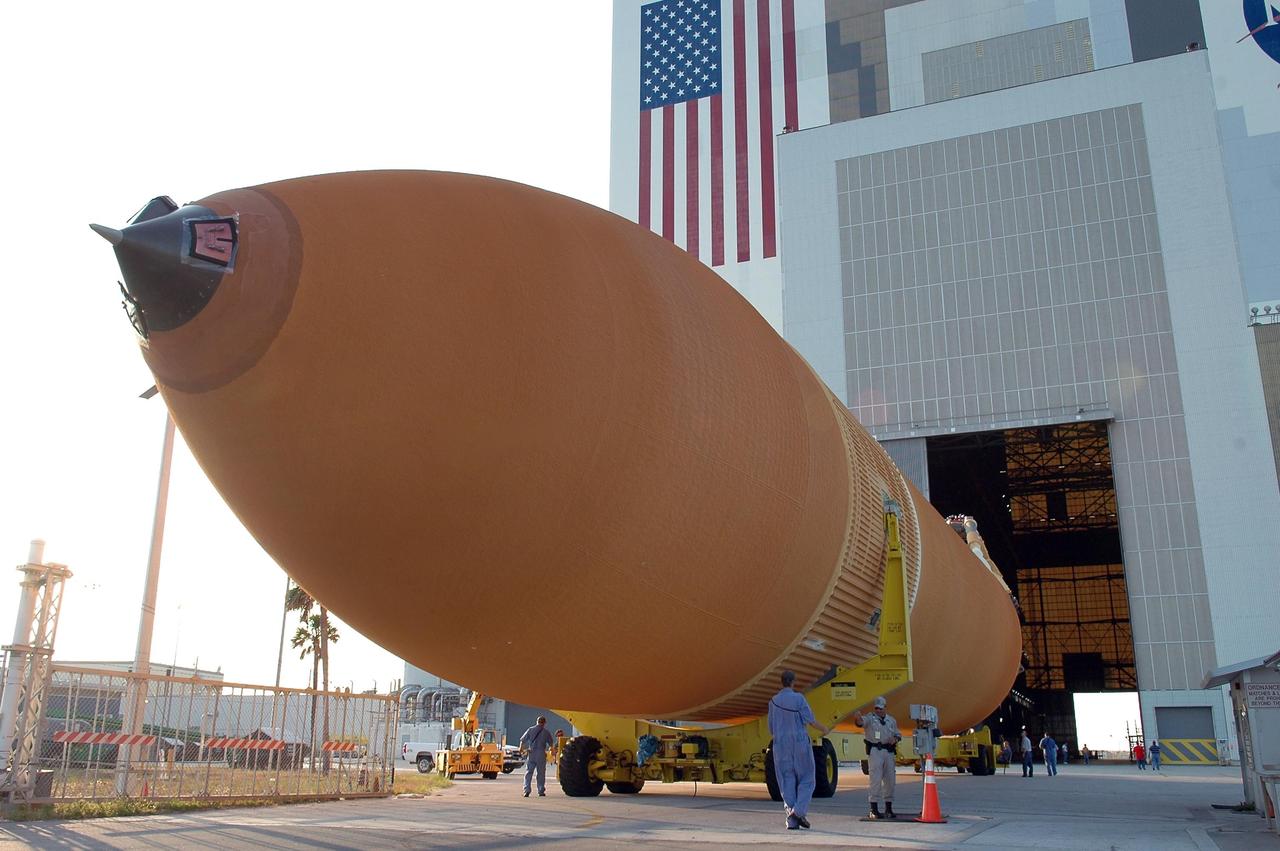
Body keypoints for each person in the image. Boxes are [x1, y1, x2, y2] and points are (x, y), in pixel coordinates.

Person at [767, 670, 830, 830]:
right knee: (807, 778)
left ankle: (791, 820)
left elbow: (771, 728)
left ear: (781, 682)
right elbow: (810, 720)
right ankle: (799, 811)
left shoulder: (773, 701)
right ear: (793, 682)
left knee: (786, 779)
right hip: (799, 742)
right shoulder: (799, 698)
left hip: (781, 744)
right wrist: (825, 729)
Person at [853, 695, 902, 819]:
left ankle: (889, 808)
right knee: (875, 779)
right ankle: (873, 809)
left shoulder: (891, 721)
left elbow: (898, 734)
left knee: (890, 780)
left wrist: (895, 739)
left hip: (889, 751)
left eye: (880, 708)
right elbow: (861, 723)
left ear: (885, 708)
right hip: (876, 751)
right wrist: (858, 718)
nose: (878, 710)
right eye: (876, 708)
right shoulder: (870, 718)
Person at [518, 716, 556, 797]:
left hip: (531, 753)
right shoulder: (546, 732)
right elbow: (551, 744)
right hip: (541, 754)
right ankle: (541, 790)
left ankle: (526, 790)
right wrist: (552, 753)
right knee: (541, 773)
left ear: (537, 721)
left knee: (528, 772)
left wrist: (521, 749)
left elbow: (522, 740)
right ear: (545, 723)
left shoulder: (530, 729)